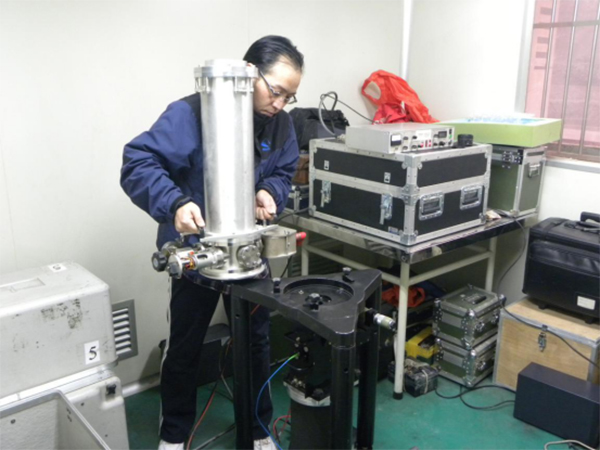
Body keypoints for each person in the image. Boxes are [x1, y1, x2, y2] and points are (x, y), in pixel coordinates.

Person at [120, 36, 303, 450]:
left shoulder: (281, 125)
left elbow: (284, 170)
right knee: (185, 345)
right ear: (249, 73)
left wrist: (270, 192)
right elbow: (138, 162)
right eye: (275, 91)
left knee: (255, 343)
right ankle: (174, 434)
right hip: (198, 252)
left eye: (289, 97)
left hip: (250, 253)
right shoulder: (191, 113)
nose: (279, 104)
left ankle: (258, 429)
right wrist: (175, 204)